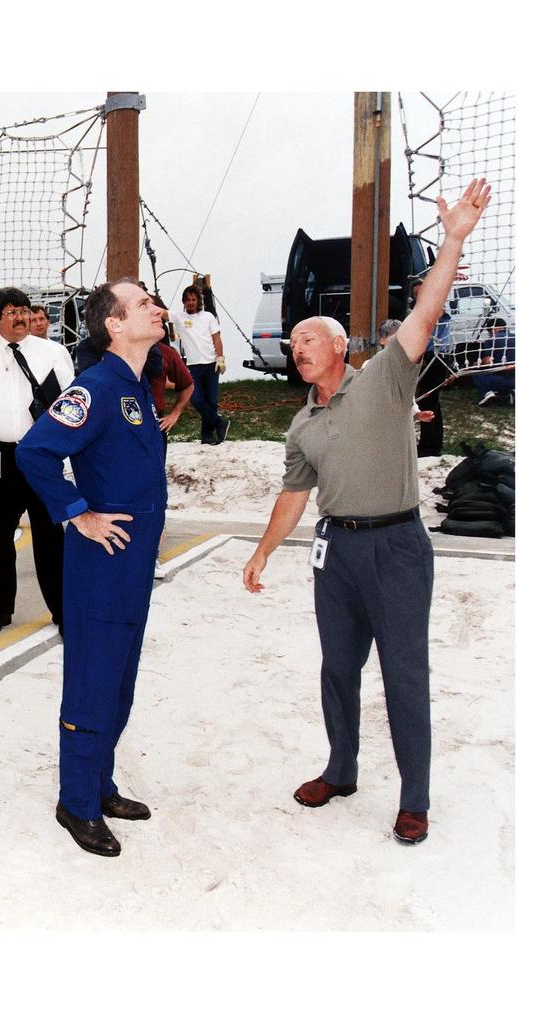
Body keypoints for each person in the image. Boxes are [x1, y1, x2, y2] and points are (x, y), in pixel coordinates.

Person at [242, 179, 491, 847]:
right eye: (292, 343)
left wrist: (455, 239)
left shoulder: (383, 376)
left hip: (396, 547)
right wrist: (266, 547)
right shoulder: (302, 425)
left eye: (308, 340)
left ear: (338, 348)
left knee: (404, 672)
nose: (297, 348)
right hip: (337, 553)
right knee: (336, 667)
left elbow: (425, 315)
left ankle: (414, 798)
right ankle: (341, 768)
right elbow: (295, 494)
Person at [17, 276, 168, 857]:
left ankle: (99, 782)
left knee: (120, 679)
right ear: (114, 324)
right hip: (102, 561)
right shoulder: (97, 387)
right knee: (93, 679)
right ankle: (75, 803)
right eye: (143, 305)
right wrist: (77, 513)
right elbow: (36, 450)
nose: (155, 309)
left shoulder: (134, 386)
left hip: (132, 560)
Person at [0, 287, 74, 635]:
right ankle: (2, 609)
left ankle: (63, 612)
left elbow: (73, 402)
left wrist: (60, 444)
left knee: (50, 536)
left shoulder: (53, 352)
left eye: (24, 310)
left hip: (40, 456)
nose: (20, 317)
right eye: (10, 312)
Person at [167, 285, 229, 444]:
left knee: (211, 401)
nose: (190, 303)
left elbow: (217, 338)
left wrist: (220, 358)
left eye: (193, 299)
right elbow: (160, 312)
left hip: (211, 364)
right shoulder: (179, 317)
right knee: (196, 399)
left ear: (198, 301)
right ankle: (219, 422)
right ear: (183, 301)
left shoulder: (208, 316)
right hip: (194, 366)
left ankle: (207, 435)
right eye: (187, 300)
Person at [410, 276, 453, 457]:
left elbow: (439, 316)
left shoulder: (437, 306)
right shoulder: (417, 309)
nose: (420, 295)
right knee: (429, 400)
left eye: (422, 291)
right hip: (424, 356)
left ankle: (430, 447)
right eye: (416, 293)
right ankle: (430, 443)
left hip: (437, 357)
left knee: (430, 400)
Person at [472, 316, 515, 406]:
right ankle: (512, 392)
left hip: (497, 379)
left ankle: (487, 393)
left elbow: (488, 361)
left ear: (492, 329)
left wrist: (478, 363)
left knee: (475, 372)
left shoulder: (491, 340)